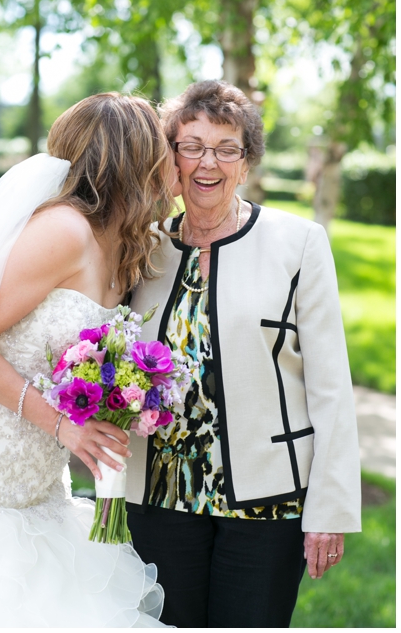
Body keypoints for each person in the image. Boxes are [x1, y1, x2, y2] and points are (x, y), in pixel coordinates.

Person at [125, 80, 361, 627]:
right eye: (191, 146)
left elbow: (330, 386)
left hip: (269, 501)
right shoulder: (143, 244)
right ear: (171, 159)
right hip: (159, 498)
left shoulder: (298, 243)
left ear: (246, 161)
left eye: (226, 148)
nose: (208, 163)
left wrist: (329, 508)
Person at [0, 93, 176, 627]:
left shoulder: (125, 248)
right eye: (166, 149)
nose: (176, 161)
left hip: (42, 487)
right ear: (133, 158)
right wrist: (63, 426)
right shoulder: (64, 231)